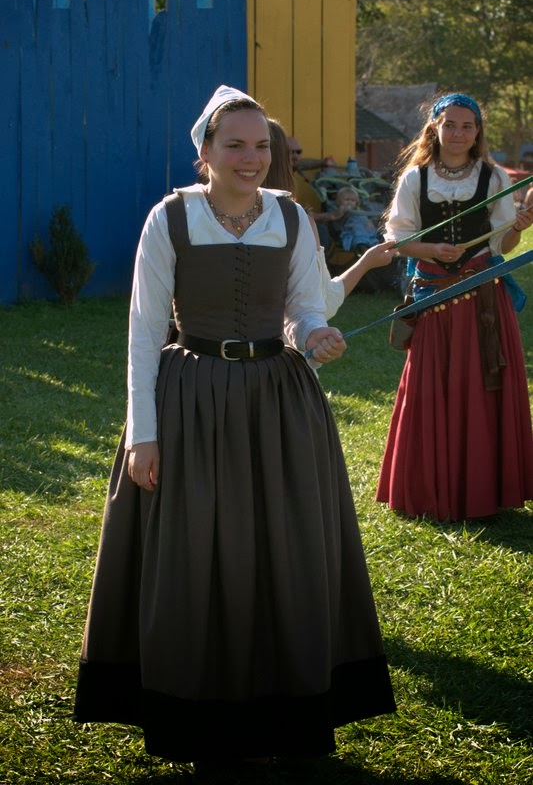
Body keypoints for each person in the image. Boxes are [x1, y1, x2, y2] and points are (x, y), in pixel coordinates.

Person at [74, 85, 396, 769]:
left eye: (260, 146)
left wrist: (315, 335)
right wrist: (143, 432)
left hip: (278, 406)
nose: (251, 158)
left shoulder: (289, 214)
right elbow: (141, 332)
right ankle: (194, 712)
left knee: (285, 548)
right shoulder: (171, 219)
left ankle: (286, 708)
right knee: (196, 550)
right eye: (234, 146)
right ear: (204, 153)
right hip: (190, 398)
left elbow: (307, 307)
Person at [376, 92, 533, 523]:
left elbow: (501, 243)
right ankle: (430, 486)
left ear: (478, 131)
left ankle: (483, 488)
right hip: (435, 295)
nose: (459, 133)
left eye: (467, 125)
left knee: (485, 383)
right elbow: (398, 239)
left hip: (484, 294)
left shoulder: (494, 176)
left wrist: (519, 227)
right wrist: (433, 248)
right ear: (435, 128)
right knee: (431, 385)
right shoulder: (416, 178)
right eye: (450, 124)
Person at [265, 119, 398, 318]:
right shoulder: (296, 219)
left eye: (297, 153)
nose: (295, 158)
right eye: (289, 153)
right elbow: (323, 302)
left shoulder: (205, 217)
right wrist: (365, 263)